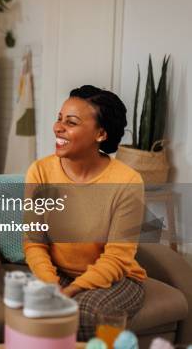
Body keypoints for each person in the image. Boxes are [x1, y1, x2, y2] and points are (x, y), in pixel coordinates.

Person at [24, 85, 146, 340]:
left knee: (84, 311)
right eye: (59, 119)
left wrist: (71, 292)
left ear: (100, 133)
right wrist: (50, 285)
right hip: (60, 274)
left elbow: (117, 259)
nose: (58, 127)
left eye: (71, 122)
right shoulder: (41, 172)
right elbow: (34, 241)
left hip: (118, 279)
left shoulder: (127, 182)